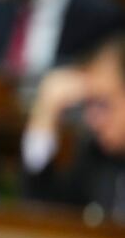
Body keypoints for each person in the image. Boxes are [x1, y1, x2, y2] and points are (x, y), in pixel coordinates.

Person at [22, 34, 125, 223]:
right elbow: (45, 216)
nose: (92, 119)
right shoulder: (95, 156)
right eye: (89, 104)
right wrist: (45, 111)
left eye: (103, 104)